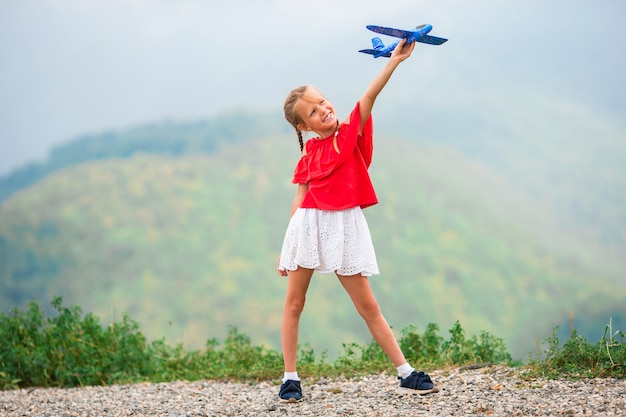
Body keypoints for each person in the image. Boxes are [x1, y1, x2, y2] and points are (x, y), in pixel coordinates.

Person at [276, 38, 438, 403]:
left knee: (368, 306)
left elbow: (368, 98)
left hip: (344, 227)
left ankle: (405, 372)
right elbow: (300, 200)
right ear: (304, 127)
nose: (324, 109)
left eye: (322, 101)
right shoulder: (309, 155)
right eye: (314, 112)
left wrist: (393, 62)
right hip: (308, 227)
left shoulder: (348, 134)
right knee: (294, 304)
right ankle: (290, 378)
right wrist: (287, 249)